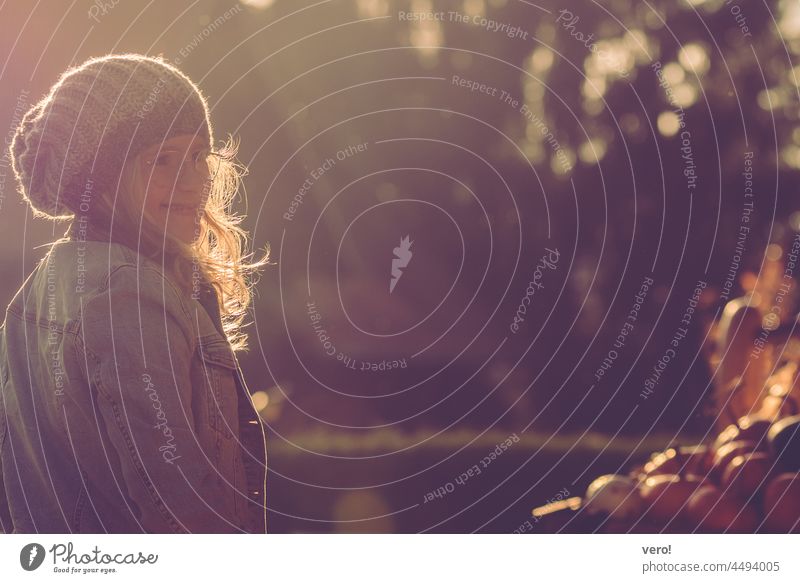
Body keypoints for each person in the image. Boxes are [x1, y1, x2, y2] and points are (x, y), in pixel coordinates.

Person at [0, 53, 269, 533]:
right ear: (103, 180)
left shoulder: (37, 293)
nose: (193, 181)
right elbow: (183, 510)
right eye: (161, 159)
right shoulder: (127, 293)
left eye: (197, 155)